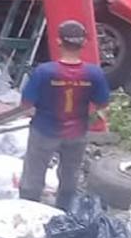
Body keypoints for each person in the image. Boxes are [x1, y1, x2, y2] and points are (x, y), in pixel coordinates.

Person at [19, 20, 111, 210]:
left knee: (33, 174)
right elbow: (102, 103)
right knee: (70, 175)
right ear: (83, 43)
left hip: (44, 131)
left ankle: (28, 209)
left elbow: (26, 104)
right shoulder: (94, 74)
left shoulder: (44, 71)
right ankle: (63, 213)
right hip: (77, 133)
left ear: (59, 41)